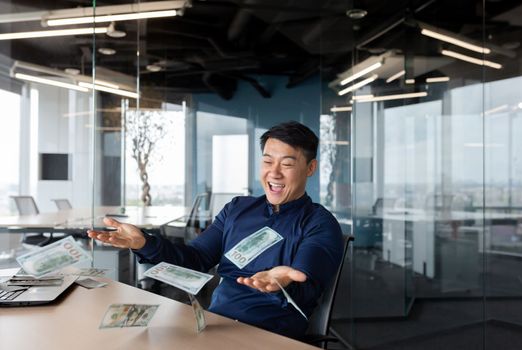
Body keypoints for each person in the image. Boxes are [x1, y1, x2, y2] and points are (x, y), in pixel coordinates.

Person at [88, 121, 344, 339]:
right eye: (267, 161)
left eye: (287, 164)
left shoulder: (319, 224)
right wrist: (145, 243)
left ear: (310, 168)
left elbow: (307, 288)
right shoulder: (237, 209)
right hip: (215, 326)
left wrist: (283, 282)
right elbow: (195, 260)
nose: (274, 173)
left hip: (268, 334)